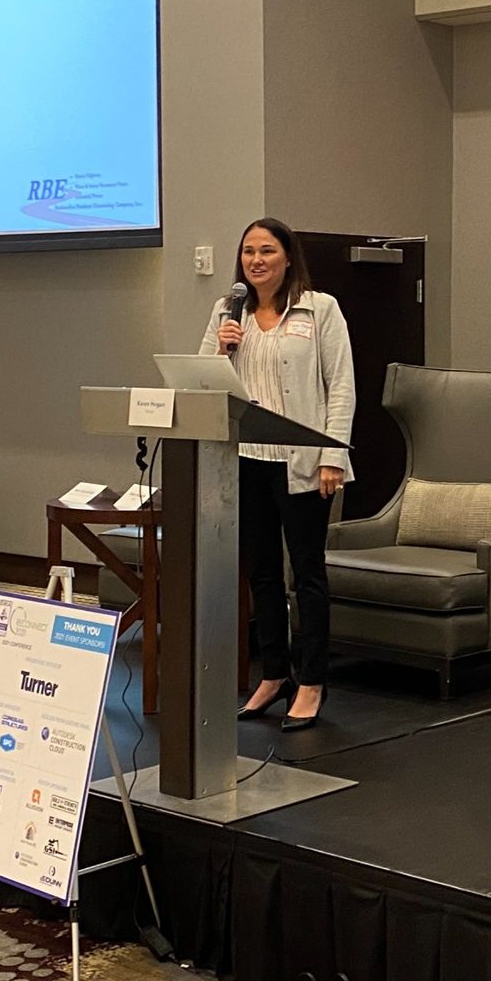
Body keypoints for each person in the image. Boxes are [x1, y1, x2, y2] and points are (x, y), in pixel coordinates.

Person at [200, 218, 354, 732]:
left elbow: (341, 385)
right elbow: (202, 383)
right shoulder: (227, 312)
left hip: (304, 461)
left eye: (267, 251)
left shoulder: (319, 308)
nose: (256, 260)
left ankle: (312, 681)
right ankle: (273, 674)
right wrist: (221, 349)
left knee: (306, 572)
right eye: (248, 252)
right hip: (245, 458)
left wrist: (333, 455)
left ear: (288, 258)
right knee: (261, 572)